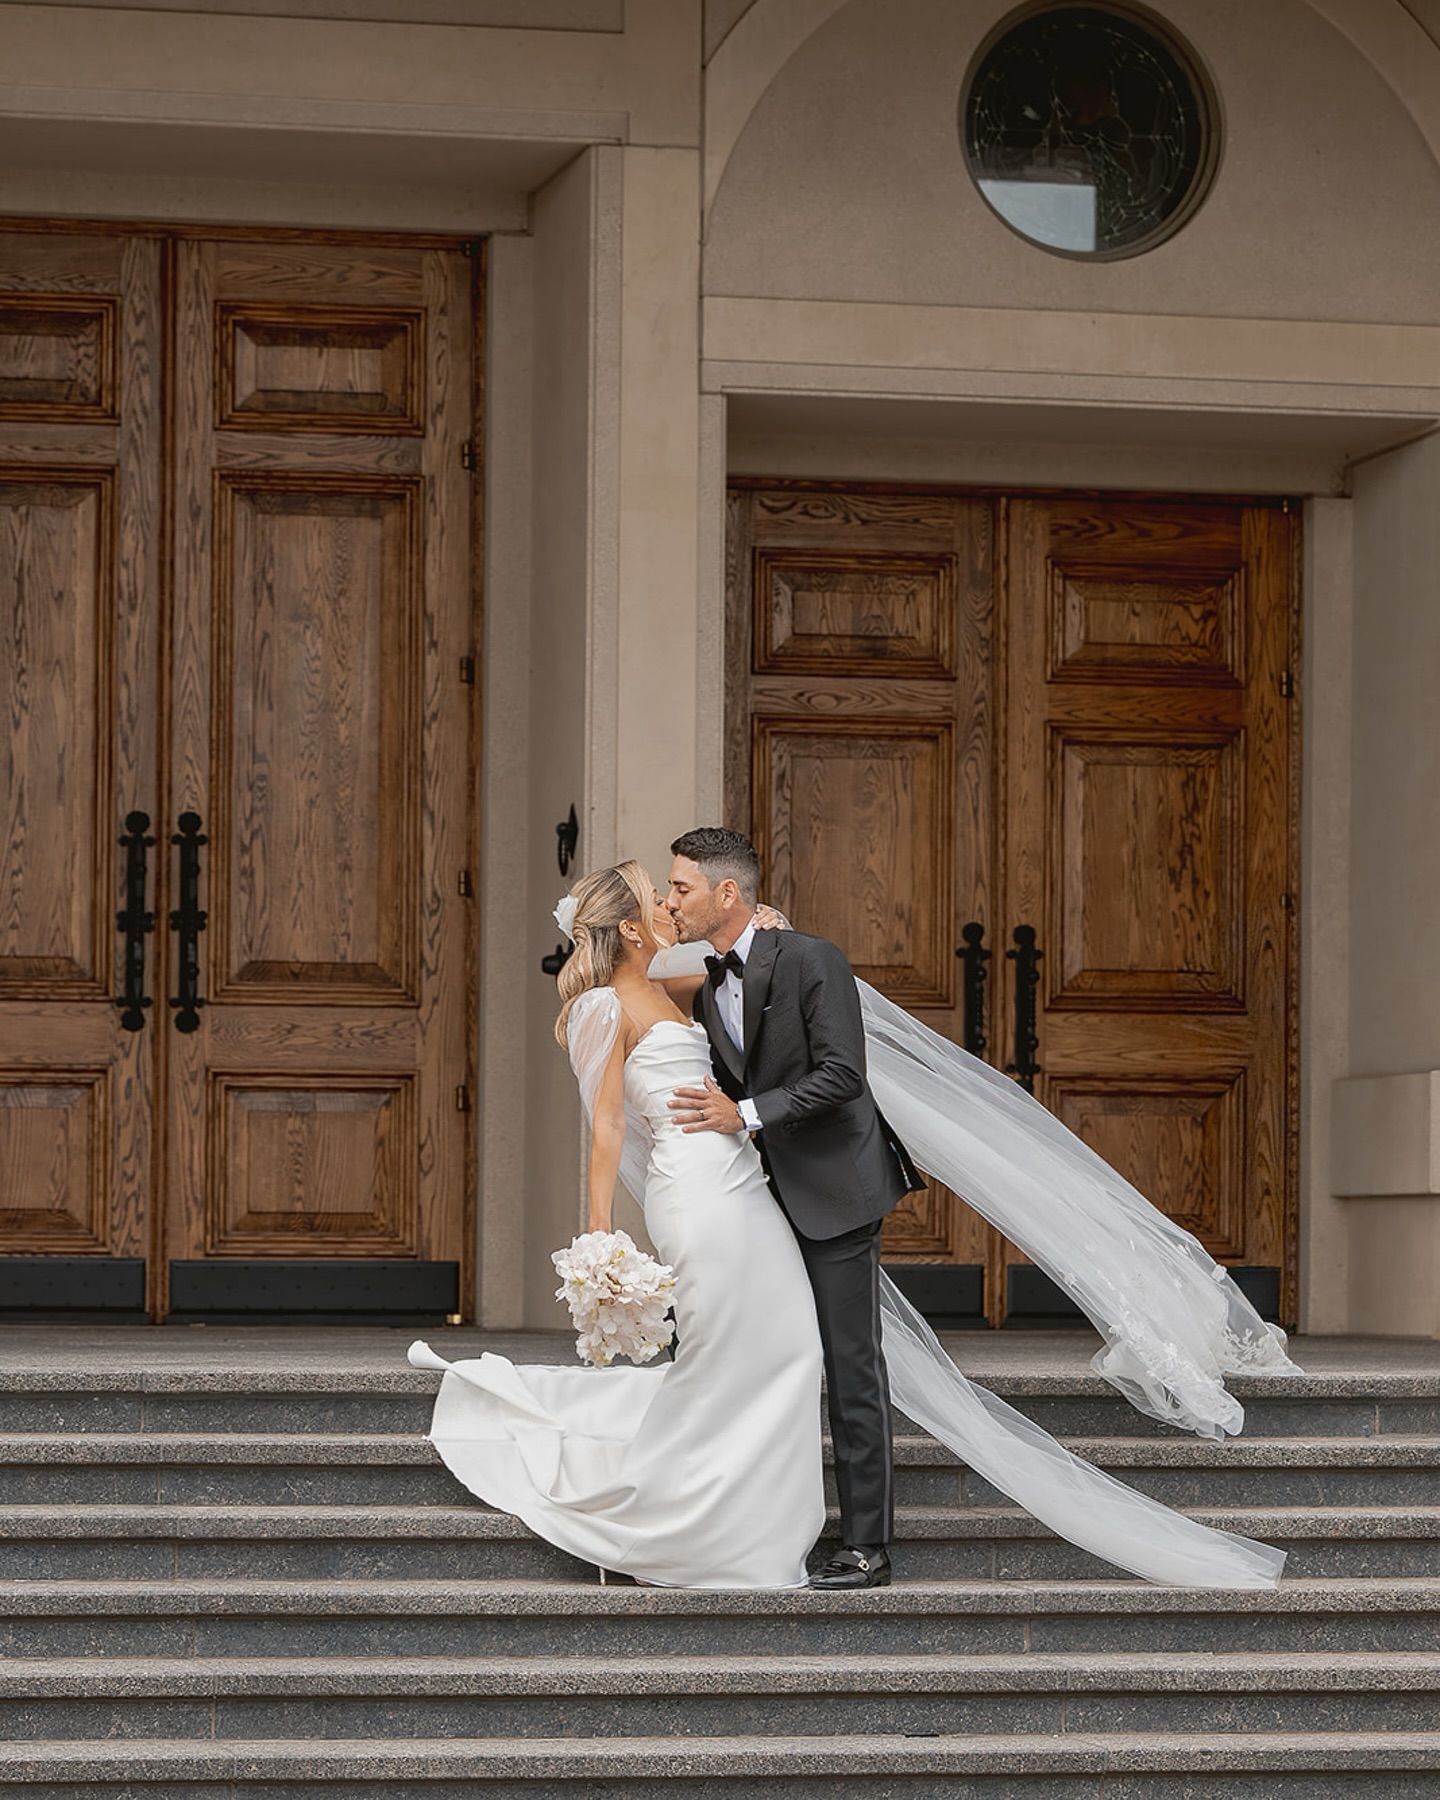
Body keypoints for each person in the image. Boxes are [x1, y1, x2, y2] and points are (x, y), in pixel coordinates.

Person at [411, 854, 1295, 1592]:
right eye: (657, 895)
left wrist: (753, 929)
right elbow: (608, 1126)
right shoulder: (606, 1007)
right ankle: (689, 1516)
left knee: (789, 1351)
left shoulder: (683, 973)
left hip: (747, 1187)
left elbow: (739, 967)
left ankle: (763, 1521)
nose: (669, 903)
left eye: (678, 886)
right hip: (700, 1197)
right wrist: (601, 1232)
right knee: (749, 1350)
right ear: (635, 927)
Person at [664, 826, 921, 1590]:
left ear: (727, 893)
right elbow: (633, 968)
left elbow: (843, 1074)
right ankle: (763, 1524)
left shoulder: (813, 960)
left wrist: (740, 1114)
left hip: (836, 1193)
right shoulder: (706, 980)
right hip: (758, 1201)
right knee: (769, 1359)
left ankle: (868, 1546)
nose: (671, 901)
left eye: (681, 887)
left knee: (850, 1369)